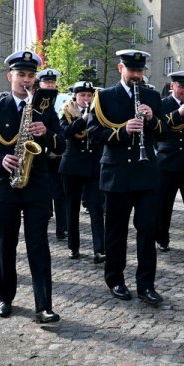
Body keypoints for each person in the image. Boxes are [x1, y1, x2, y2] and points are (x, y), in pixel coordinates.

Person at [0, 51, 64, 323]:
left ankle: (44, 305)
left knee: (39, 246)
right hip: (5, 186)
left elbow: (62, 146)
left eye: (30, 75)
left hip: (36, 185)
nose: (25, 79)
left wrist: (45, 134)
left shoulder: (44, 109)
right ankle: (5, 298)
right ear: (10, 76)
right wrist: (0, 161)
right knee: (6, 244)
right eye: (20, 74)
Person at [88, 50, 165, 307]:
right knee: (116, 231)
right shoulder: (104, 97)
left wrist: (152, 119)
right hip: (117, 174)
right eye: (132, 70)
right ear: (121, 68)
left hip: (146, 175)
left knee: (147, 230)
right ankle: (115, 279)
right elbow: (93, 133)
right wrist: (122, 131)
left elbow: (164, 132)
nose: (136, 75)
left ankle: (146, 284)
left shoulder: (153, 96)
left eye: (140, 71)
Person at [156, 70, 184, 257]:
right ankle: (162, 238)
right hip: (168, 163)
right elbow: (158, 129)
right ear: (172, 86)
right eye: (181, 86)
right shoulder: (163, 104)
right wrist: (177, 113)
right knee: (164, 205)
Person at [59, 81, 105, 263]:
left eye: (89, 95)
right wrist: (83, 120)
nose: (86, 98)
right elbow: (65, 133)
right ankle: (73, 246)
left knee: (96, 207)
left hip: (93, 165)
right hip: (72, 166)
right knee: (72, 208)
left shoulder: (99, 112)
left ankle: (99, 249)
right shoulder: (66, 111)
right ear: (75, 97)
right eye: (82, 95)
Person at [37, 68, 67, 242]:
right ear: (40, 84)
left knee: (59, 193)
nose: (50, 85)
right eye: (47, 82)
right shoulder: (36, 101)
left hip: (56, 155)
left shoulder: (62, 100)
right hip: (41, 155)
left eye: (52, 82)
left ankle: (61, 228)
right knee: (44, 193)